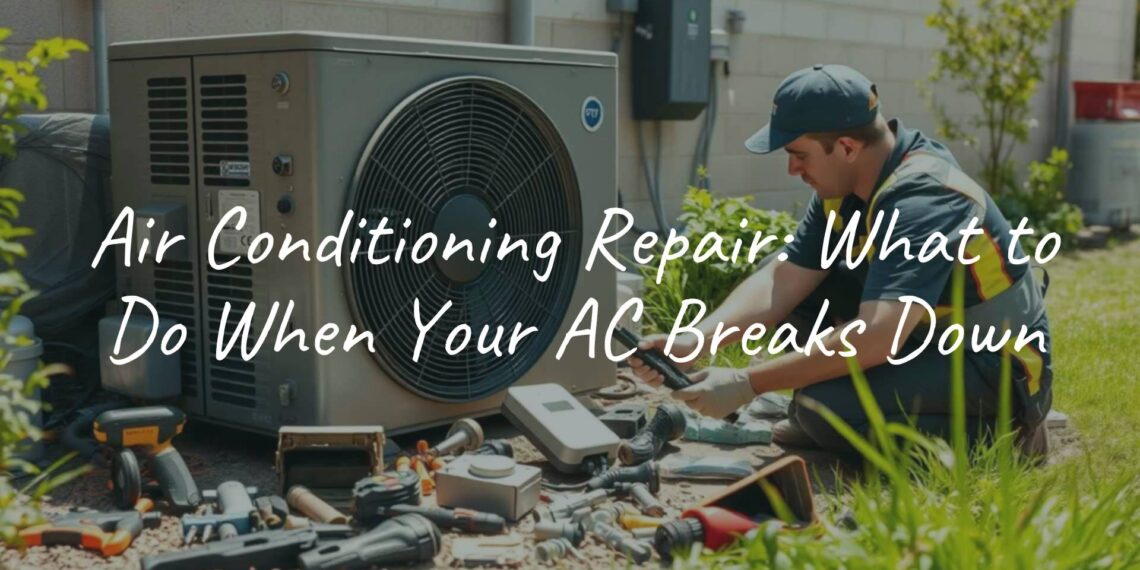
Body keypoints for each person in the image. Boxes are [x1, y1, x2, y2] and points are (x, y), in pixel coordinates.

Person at [627, 64, 1052, 460]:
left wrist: (748, 383)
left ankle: (1008, 435)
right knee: (805, 300)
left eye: (799, 154)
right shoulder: (847, 189)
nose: (792, 168)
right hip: (929, 337)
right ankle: (845, 407)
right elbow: (785, 277)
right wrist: (695, 342)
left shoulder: (924, 199)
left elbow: (877, 336)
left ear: (847, 147)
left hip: (997, 367)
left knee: (821, 408)